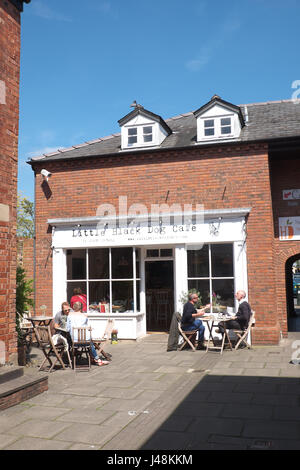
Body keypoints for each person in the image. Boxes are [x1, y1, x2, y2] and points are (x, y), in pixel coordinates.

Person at [67, 301, 109, 366]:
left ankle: (72, 359)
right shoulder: (84, 316)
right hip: (85, 341)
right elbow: (86, 327)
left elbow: (67, 328)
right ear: (81, 308)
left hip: (74, 341)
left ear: (74, 308)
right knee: (91, 343)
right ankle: (97, 359)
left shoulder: (69, 316)